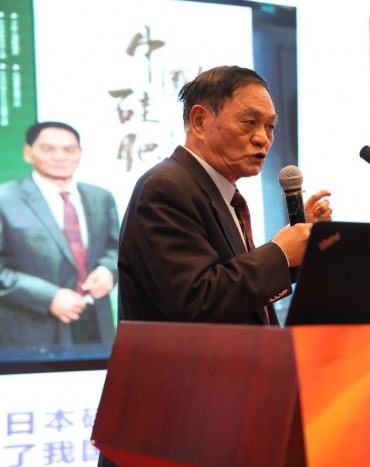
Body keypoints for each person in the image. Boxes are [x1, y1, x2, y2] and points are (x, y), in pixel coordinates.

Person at [117, 65, 332, 326]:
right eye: (250, 123)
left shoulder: (217, 191)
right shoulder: (165, 187)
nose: (263, 138)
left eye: (270, 126)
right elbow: (198, 300)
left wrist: (297, 244)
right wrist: (280, 253)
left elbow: (232, 287)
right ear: (200, 121)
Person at [0, 121, 120, 360]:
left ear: (80, 154)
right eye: (48, 148)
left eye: (69, 149)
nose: (59, 156)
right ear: (27, 152)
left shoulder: (101, 197)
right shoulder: (5, 199)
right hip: (31, 327)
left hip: (97, 324)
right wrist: (49, 297)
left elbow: (116, 249)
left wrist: (108, 270)